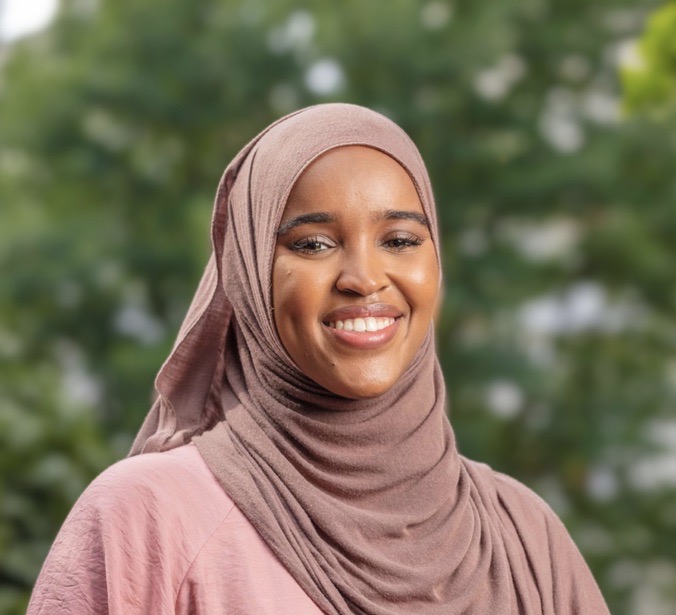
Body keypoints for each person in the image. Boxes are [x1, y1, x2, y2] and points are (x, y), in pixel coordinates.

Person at [28, 103, 609, 614]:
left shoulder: (525, 540)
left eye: (400, 240)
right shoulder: (148, 519)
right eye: (313, 244)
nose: (363, 279)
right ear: (251, 273)